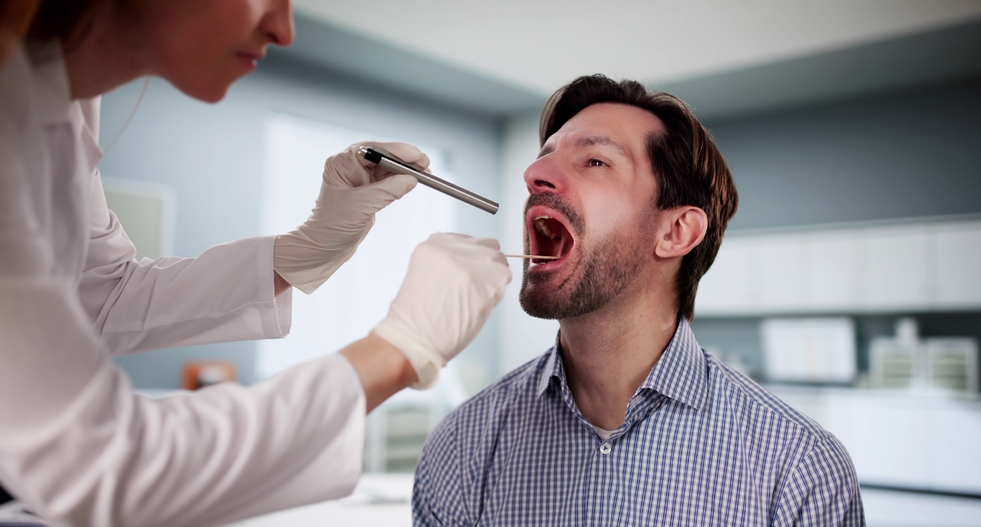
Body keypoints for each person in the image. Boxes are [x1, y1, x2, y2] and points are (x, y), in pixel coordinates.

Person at [0, 1, 511, 526]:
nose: (283, 30)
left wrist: (307, 247)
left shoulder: (58, 103)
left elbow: (99, 297)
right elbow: (100, 465)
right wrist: (401, 349)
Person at [412, 75, 864, 526]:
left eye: (594, 161)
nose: (534, 176)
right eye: (544, 158)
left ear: (675, 232)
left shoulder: (800, 469)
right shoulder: (461, 445)